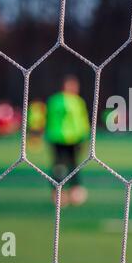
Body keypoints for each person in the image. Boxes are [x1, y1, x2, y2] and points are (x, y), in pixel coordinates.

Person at [45, 75, 90, 207]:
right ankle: (63, 193)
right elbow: (81, 121)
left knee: (63, 166)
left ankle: (66, 193)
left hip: (63, 138)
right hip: (65, 138)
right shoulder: (74, 101)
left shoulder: (55, 100)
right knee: (64, 166)